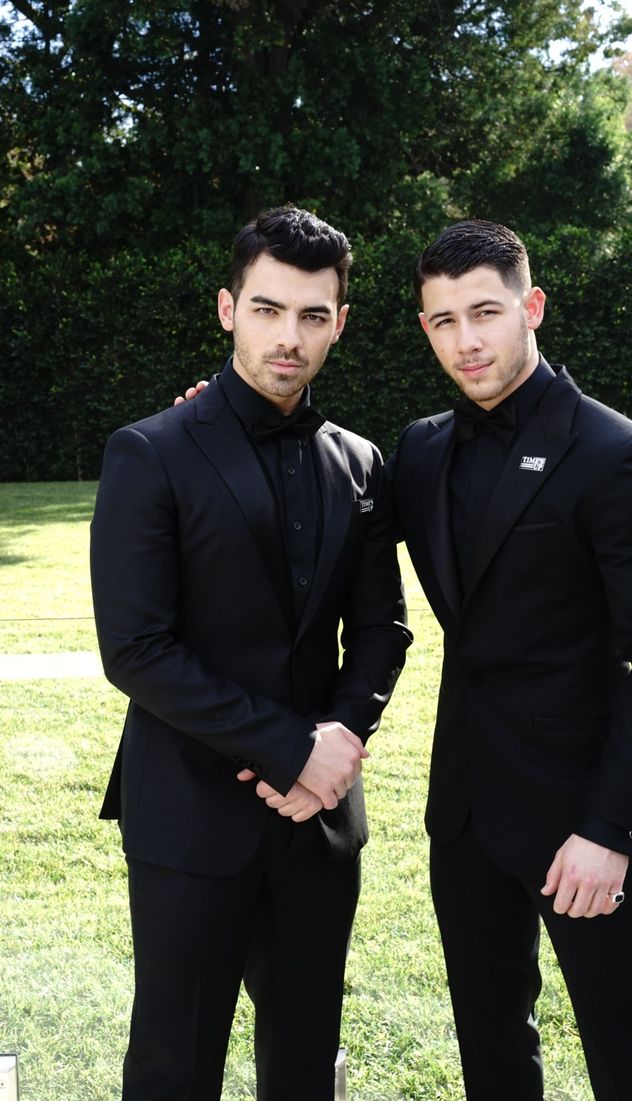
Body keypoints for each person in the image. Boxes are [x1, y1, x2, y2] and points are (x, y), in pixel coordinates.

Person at [90, 205, 411, 1101]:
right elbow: (136, 648)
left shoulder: (362, 461)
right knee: (174, 1062)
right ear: (228, 308)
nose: (289, 336)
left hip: (322, 821)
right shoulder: (149, 452)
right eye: (268, 309)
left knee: (307, 1062)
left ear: (339, 323)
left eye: (313, 316)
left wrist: (339, 739)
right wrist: (290, 748)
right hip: (188, 817)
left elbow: (381, 628)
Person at [386, 219, 632, 1100]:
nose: (467, 339)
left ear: (532, 307)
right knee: (490, 1046)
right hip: (465, 815)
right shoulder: (418, 450)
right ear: (425, 329)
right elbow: (328, 504)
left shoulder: (617, 453)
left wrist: (613, 830)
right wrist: (210, 421)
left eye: (485, 312)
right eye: (443, 320)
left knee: (625, 1044)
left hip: (582, 817)